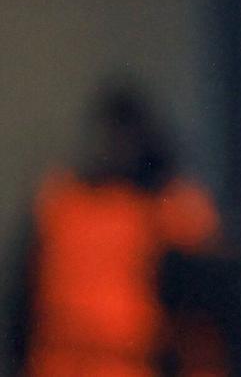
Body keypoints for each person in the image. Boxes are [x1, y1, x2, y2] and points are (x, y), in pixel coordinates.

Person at [5, 85, 224, 377]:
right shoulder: (60, 201)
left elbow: (202, 321)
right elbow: (21, 298)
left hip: (132, 362)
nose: (113, 147)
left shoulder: (170, 209)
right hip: (58, 362)